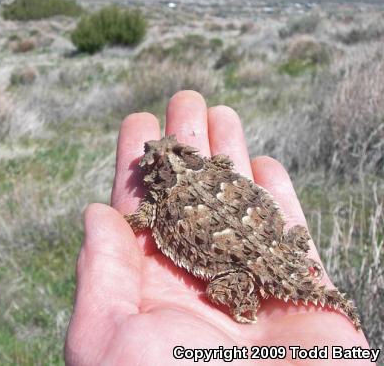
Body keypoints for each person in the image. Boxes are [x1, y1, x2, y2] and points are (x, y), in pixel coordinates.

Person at [65, 91, 371, 365]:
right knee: (288, 235)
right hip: (274, 242)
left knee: (217, 290)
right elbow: (225, 161)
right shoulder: (211, 167)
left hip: (244, 264)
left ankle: (243, 302)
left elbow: (141, 221)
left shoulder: (157, 198)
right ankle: (300, 265)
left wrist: (124, 222)